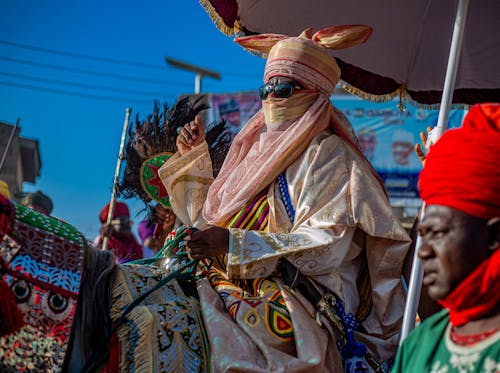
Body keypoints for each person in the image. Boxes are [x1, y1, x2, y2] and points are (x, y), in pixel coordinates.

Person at [160, 25, 411, 372]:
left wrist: (233, 243)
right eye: (266, 88)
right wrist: (195, 158)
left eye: (283, 88)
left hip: (302, 294)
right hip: (230, 276)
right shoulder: (253, 152)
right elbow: (208, 221)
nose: (271, 99)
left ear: (315, 93)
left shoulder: (330, 156)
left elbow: (325, 245)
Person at [392, 103, 500, 372]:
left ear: (494, 235)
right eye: (422, 234)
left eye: (438, 233)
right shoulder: (420, 344)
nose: (423, 252)